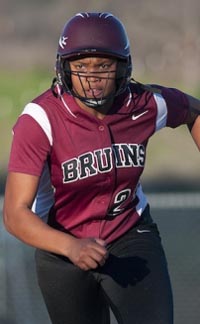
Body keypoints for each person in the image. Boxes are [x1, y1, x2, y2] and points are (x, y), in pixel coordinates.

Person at [3, 12, 200, 324]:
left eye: (103, 67)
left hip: (130, 234)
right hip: (61, 246)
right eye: (80, 67)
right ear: (63, 68)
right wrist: (70, 246)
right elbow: (14, 214)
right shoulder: (40, 120)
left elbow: (193, 110)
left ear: (123, 68)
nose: (92, 78)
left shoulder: (143, 104)